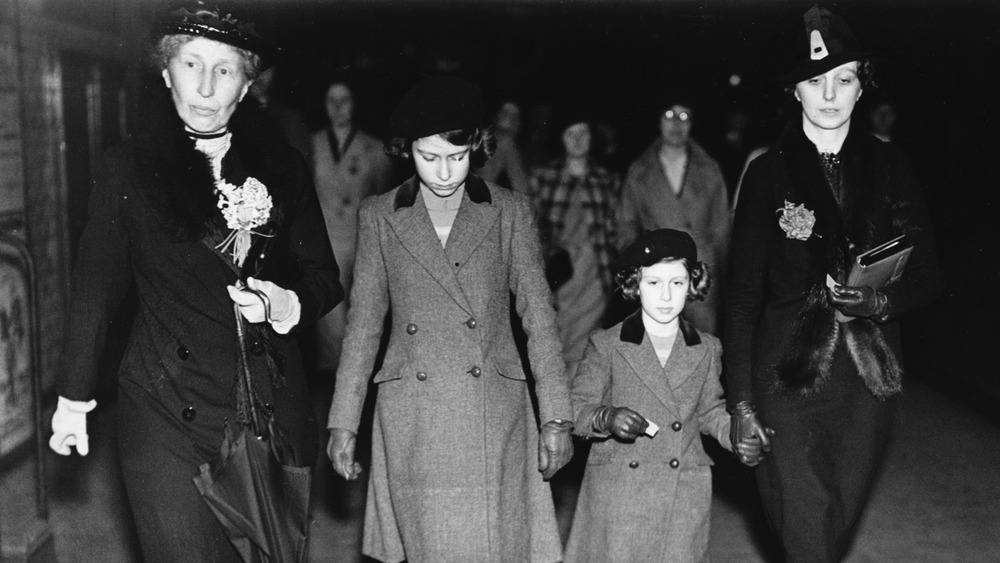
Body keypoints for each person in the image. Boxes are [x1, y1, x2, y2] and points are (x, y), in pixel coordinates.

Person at [46, 4, 343, 562]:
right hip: (163, 406)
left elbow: (323, 277)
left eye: (225, 69)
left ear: (249, 83)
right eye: (191, 64)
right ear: (166, 73)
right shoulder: (127, 167)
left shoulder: (283, 168)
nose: (205, 87)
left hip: (264, 408)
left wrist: (287, 302)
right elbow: (95, 289)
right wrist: (73, 398)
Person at [724, 6, 944, 562]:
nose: (829, 95)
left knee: (832, 524)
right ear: (794, 91)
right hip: (785, 378)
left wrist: (879, 299)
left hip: (866, 383)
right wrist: (740, 402)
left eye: (843, 80)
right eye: (815, 81)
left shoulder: (891, 166)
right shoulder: (767, 172)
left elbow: (930, 273)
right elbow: (743, 298)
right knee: (804, 521)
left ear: (860, 87)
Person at [325, 75, 574, 563]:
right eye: (429, 157)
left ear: (477, 147)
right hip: (414, 414)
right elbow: (364, 326)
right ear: (405, 151)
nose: (443, 172)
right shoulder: (380, 215)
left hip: (493, 410)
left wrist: (557, 417)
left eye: (456, 157)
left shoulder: (509, 211)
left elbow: (539, 320)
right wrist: (343, 422)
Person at [565, 229, 766, 563]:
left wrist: (735, 433)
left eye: (677, 283)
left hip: (683, 492)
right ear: (634, 285)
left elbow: (709, 411)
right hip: (620, 496)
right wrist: (606, 417)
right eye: (654, 283)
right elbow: (576, 408)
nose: (666, 295)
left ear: (692, 285)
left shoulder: (706, 348)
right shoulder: (608, 344)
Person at [618, 102, 731, 335]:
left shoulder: (709, 169)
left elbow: (722, 228)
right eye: (669, 115)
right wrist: (633, 268)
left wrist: (725, 275)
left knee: (702, 343)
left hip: (700, 273)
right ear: (658, 120)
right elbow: (625, 223)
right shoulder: (639, 171)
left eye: (684, 116)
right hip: (655, 269)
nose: (676, 123)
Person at [310, 76, 394, 371]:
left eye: (343, 100)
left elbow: (382, 199)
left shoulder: (374, 148)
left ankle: (353, 374)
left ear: (354, 104)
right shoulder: (312, 143)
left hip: (358, 242)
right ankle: (338, 375)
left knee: (358, 312)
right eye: (331, 100)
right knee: (331, 314)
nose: (337, 107)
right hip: (325, 240)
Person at [528, 112, 621, 374]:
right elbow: (531, 228)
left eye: (584, 133)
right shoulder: (543, 177)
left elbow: (616, 230)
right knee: (553, 348)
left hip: (594, 279)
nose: (579, 140)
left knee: (586, 353)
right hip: (557, 279)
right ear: (561, 138)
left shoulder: (607, 180)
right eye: (572, 134)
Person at [479, 99, 531, 193]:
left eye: (515, 117)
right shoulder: (479, 143)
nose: (509, 120)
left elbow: (522, 188)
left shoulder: (514, 149)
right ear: (494, 117)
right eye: (505, 114)